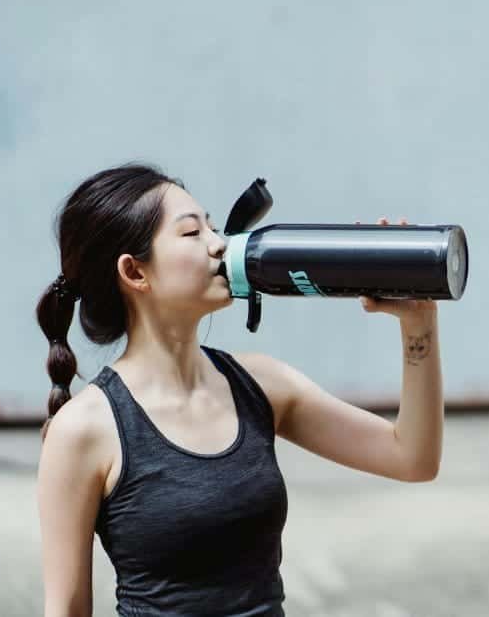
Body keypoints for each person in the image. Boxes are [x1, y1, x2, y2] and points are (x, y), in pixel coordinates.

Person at [36, 163, 444, 616]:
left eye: (212, 226)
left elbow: (412, 457)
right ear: (135, 273)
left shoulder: (261, 385)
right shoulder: (84, 430)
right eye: (193, 234)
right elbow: (67, 609)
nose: (220, 244)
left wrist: (418, 324)